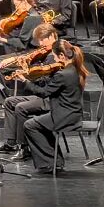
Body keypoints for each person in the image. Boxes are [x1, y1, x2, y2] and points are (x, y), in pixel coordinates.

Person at [21, 39, 88, 174]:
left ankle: (49, 162)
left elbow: (44, 93)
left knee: (29, 125)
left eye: (55, 56)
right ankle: (55, 161)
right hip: (73, 113)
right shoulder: (75, 69)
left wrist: (25, 81)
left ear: (62, 56)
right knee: (40, 125)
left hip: (64, 117)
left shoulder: (62, 74)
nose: (54, 60)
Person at [0, 23, 62, 159]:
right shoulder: (45, 54)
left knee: (21, 107)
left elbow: (45, 84)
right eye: (39, 40)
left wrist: (27, 77)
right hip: (41, 94)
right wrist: (22, 65)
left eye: (43, 40)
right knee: (9, 102)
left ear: (52, 36)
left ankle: (24, 147)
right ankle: (11, 142)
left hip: (50, 98)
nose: (40, 44)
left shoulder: (55, 56)